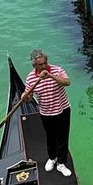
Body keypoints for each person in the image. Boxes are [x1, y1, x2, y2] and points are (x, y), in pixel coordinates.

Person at [23, 49, 73, 177]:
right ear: (34, 65)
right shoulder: (31, 78)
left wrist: (50, 76)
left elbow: (67, 82)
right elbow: (28, 98)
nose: (44, 66)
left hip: (62, 109)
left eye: (45, 63)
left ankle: (61, 163)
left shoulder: (57, 70)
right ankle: (52, 158)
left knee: (62, 137)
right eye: (40, 64)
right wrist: (26, 96)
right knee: (50, 137)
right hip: (45, 112)